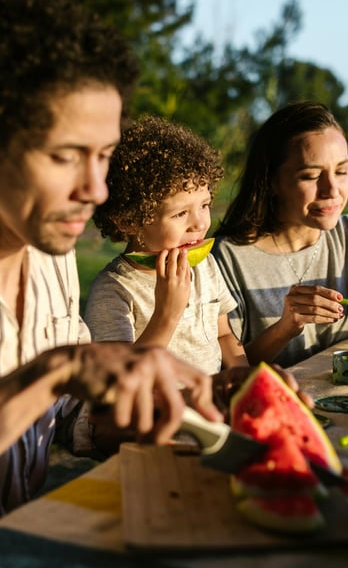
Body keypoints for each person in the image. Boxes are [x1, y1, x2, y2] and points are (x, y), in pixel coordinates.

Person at [0, 0, 224, 515]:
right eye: (65, 156)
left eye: (102, 156)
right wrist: (55, 370)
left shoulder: (53, 262)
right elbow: (59, 377)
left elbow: (73, 419)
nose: (97, 190)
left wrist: (197, 399)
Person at [84, 115, 249, 377]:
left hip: (209, 406)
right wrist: (166, 313)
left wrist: (245, 378)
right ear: (128, 221)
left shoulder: (205, 265)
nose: (199, 223)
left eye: (204, 205)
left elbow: (224, 334)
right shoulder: (114, 291)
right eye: (180, 214)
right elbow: (120, 379)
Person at [213, 101, 348, 368]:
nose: (332, 189)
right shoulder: (228, 259)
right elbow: (229, 373)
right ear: (272, 181)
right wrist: (285, 328)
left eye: (341, 171)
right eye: (310, 176)